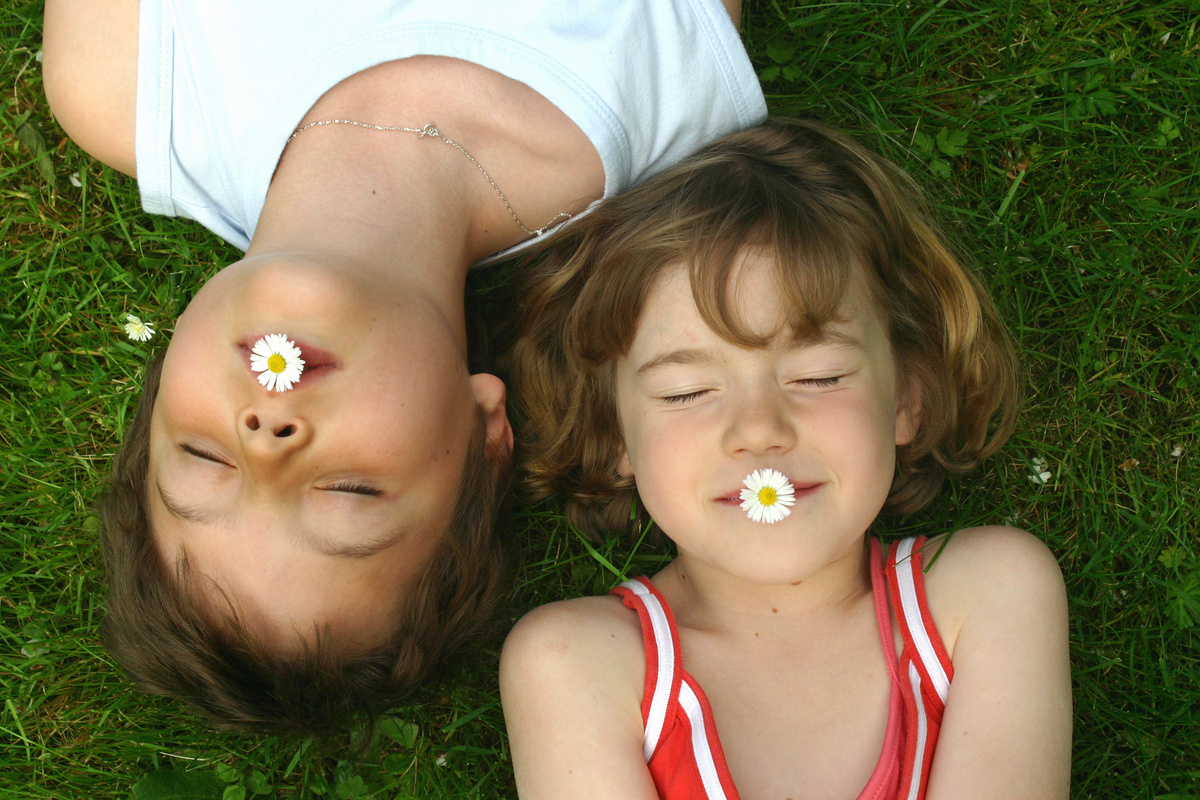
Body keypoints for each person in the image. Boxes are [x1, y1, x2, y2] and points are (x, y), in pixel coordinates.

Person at [40, 0, 766, 735]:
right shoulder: (661, 93)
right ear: (486, 436)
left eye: (202, 456)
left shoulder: (129, 85)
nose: (266, 436)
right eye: (349, 491)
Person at [500, 118, 1072, 799]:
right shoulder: (575, 662)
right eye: (685, 391)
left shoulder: (989, 592)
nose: (760, 429)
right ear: (615, 435)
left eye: (820, 375)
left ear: (906, 399)